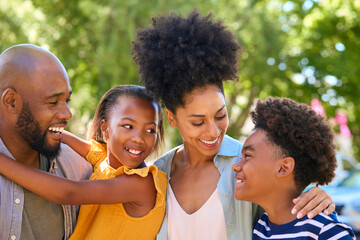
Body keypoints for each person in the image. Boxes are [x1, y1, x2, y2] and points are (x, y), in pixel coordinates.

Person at [132, 9, 336, 240]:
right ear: (171, 119)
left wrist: (317, 196)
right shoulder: (157, 173)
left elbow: (285, 201)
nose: (213, 131)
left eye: (220, 115)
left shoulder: (245, 164)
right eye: (198, 122)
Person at [0, 84, 167, 240]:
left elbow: (68, 193)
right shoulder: (107, 161)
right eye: (129, 126)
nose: (139, 138)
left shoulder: (141, 183)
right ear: (105, 128)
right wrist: (44, 128)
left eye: (150, 130)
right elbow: (83, 147)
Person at [0, 44, 92, 240]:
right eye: (53, 102)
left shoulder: (79, 169)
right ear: (11, 102)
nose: (67, 114)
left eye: (67, 100)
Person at [232, 97, 356, 239]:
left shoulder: (325, 231)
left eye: (247, 156)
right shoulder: (261, 227)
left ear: (284, 168)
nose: (236, 166)